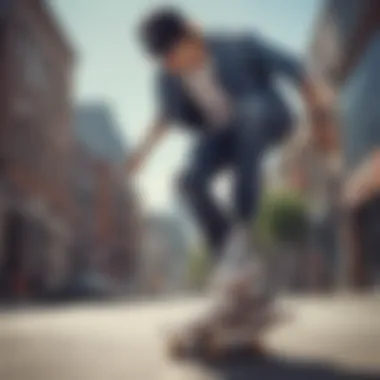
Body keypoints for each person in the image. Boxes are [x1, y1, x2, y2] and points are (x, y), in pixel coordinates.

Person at [127, 7, 330, 294]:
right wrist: (141, 154)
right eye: (164, 61)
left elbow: (297, 70)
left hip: (266, 118)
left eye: (174, 55)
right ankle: (232, 260)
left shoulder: (239, 45)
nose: (172, 66)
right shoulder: (168, 78)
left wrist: (319, 117)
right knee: (188, 181)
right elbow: (165, 118)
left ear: (191, 33)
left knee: (247, 113)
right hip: (221, 137)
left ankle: (243, 228)